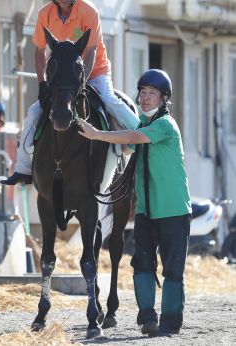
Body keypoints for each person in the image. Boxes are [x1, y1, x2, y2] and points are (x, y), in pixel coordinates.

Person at [78, 69, 191, 337]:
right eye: (142, 92)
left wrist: (97, 135)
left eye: (151, 93)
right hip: (145, 212)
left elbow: (133, 139)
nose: (144, 97)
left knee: (172, 270)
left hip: (173, 210)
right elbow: (125, 147)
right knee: (142, 264)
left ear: (163, 99)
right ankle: (147, 317)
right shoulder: (142, 124)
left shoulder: (165, 125)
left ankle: (171, 322)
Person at [1, 0, 138, 185]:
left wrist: (82, 82)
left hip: (94, 71)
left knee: (110, 100)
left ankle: (142, 135)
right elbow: (39, 52)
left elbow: (91, 52)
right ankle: (23, 168)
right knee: (33, 112)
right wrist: (43, 84)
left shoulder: (89, 12)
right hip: (61, 79)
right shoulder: (44, 14)